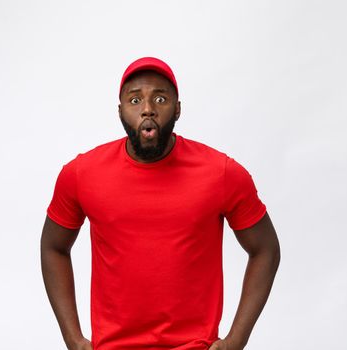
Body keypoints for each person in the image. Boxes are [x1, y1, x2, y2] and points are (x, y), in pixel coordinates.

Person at [40, 57, 280, 350]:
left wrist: (235, 340)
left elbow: (265, 249)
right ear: (120, 111)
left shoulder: (222, 173)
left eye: (161, 98)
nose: (148, 109)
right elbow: (53, 247)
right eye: (135, 99)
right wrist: (74, 339)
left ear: (177, 109)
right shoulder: (81, 174)